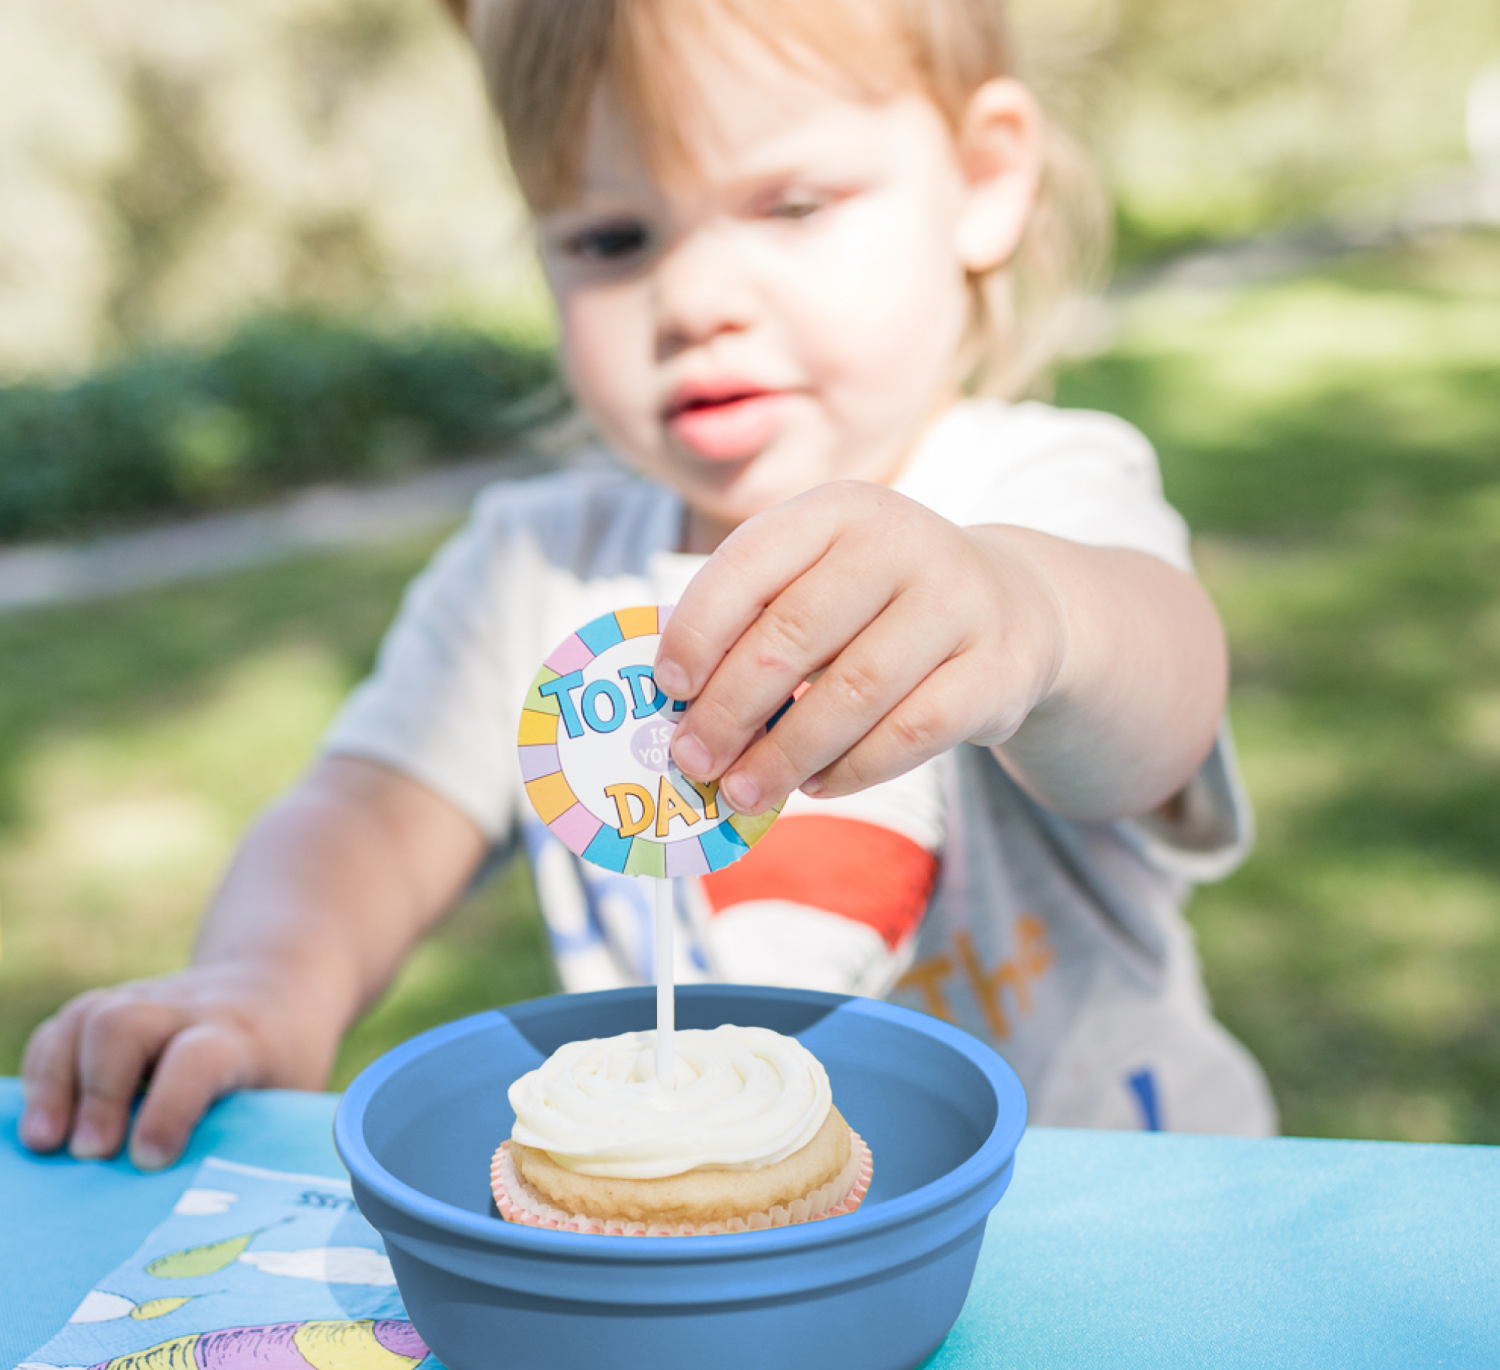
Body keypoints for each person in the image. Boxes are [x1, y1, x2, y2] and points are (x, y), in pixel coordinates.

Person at [19, 0, 1276, 1171]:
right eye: (612, 238)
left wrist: (1031, 617)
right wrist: (266, 981)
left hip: (1115, 1233)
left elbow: (1153, 723)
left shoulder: (1030, 493)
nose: (692, 298)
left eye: (790, 203)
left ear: (985, 180)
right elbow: (367, 815)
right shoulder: (535, 566)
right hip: (714, 1260)